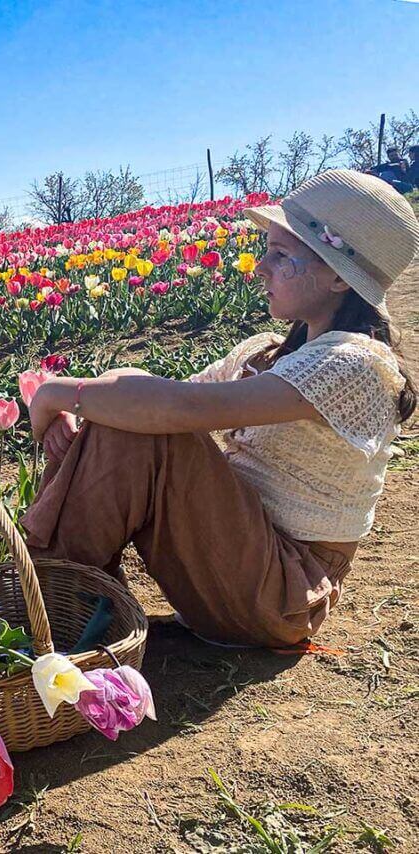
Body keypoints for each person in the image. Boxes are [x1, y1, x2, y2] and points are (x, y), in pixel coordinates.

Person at [22, 169, 417, 649]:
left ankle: (55, 601)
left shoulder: (353, 365)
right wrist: (88, 401)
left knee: (147, 421)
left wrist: (56, 394)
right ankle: (62, 594)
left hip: (281, 593)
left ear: (338, 276)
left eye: (280, 255)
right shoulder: (268, 353)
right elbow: (152, 394)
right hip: (238, 557)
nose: (260, 268)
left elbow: (173, 408)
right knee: (131, 415)